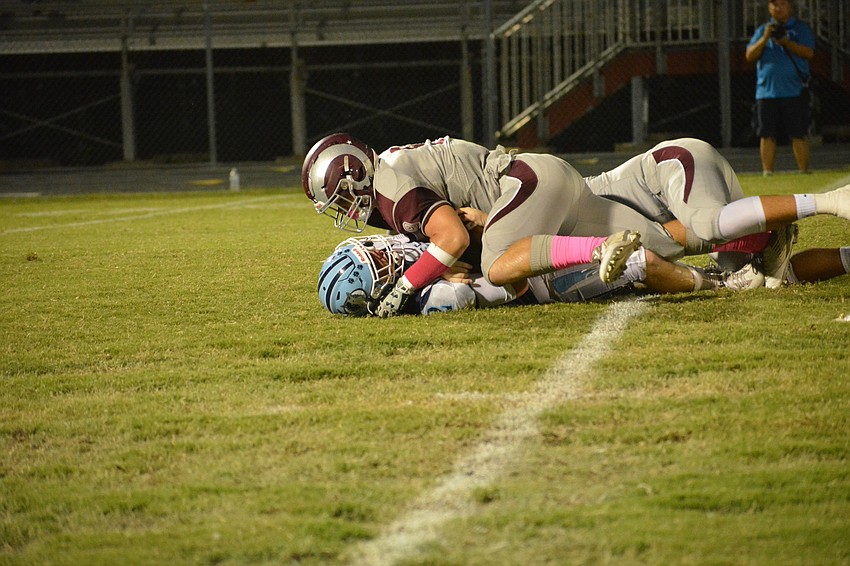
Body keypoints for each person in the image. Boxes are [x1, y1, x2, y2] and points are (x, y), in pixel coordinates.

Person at [302, 134, 849, 316]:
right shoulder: (399, 171)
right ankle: (777, 246)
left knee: (499, 261)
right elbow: (461, 229)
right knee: (679, 245)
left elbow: (452, 238)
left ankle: (828, 201)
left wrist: (402, 290)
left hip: (548, 182)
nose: (337, 209)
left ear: (347, 179)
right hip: (541, 191)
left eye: (332, 197)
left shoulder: (389, 184)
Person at [316, 233, 850, 317]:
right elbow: (467, 289)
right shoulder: (433, 298)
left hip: (533, 265)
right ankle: (715, 284)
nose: (387, 251)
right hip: (544, 285)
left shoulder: (419, 275)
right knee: (640, 259)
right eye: (379, 262)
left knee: (657, 241)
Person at [583, 137, 850, 287]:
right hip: (681, 200)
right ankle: (774, 237)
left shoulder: (576, 212)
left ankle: (834, 200)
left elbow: (665, 240)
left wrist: (711, 282)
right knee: (767, 279)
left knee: (706, 226)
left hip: (672, 170)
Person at [745, 0, 815, 175]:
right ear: (769, 8)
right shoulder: (763, 30)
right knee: (766, 133)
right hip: (766, 92)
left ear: (790, 6)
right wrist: (765, 38)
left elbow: (809, 53)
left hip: (794, 90)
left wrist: (786, 42)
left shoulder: (800, 29)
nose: (778, 8)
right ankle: (767, 171)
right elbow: (749, 55)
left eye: (782, 4)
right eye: (774, 5)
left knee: (798, 133)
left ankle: (803, 171)